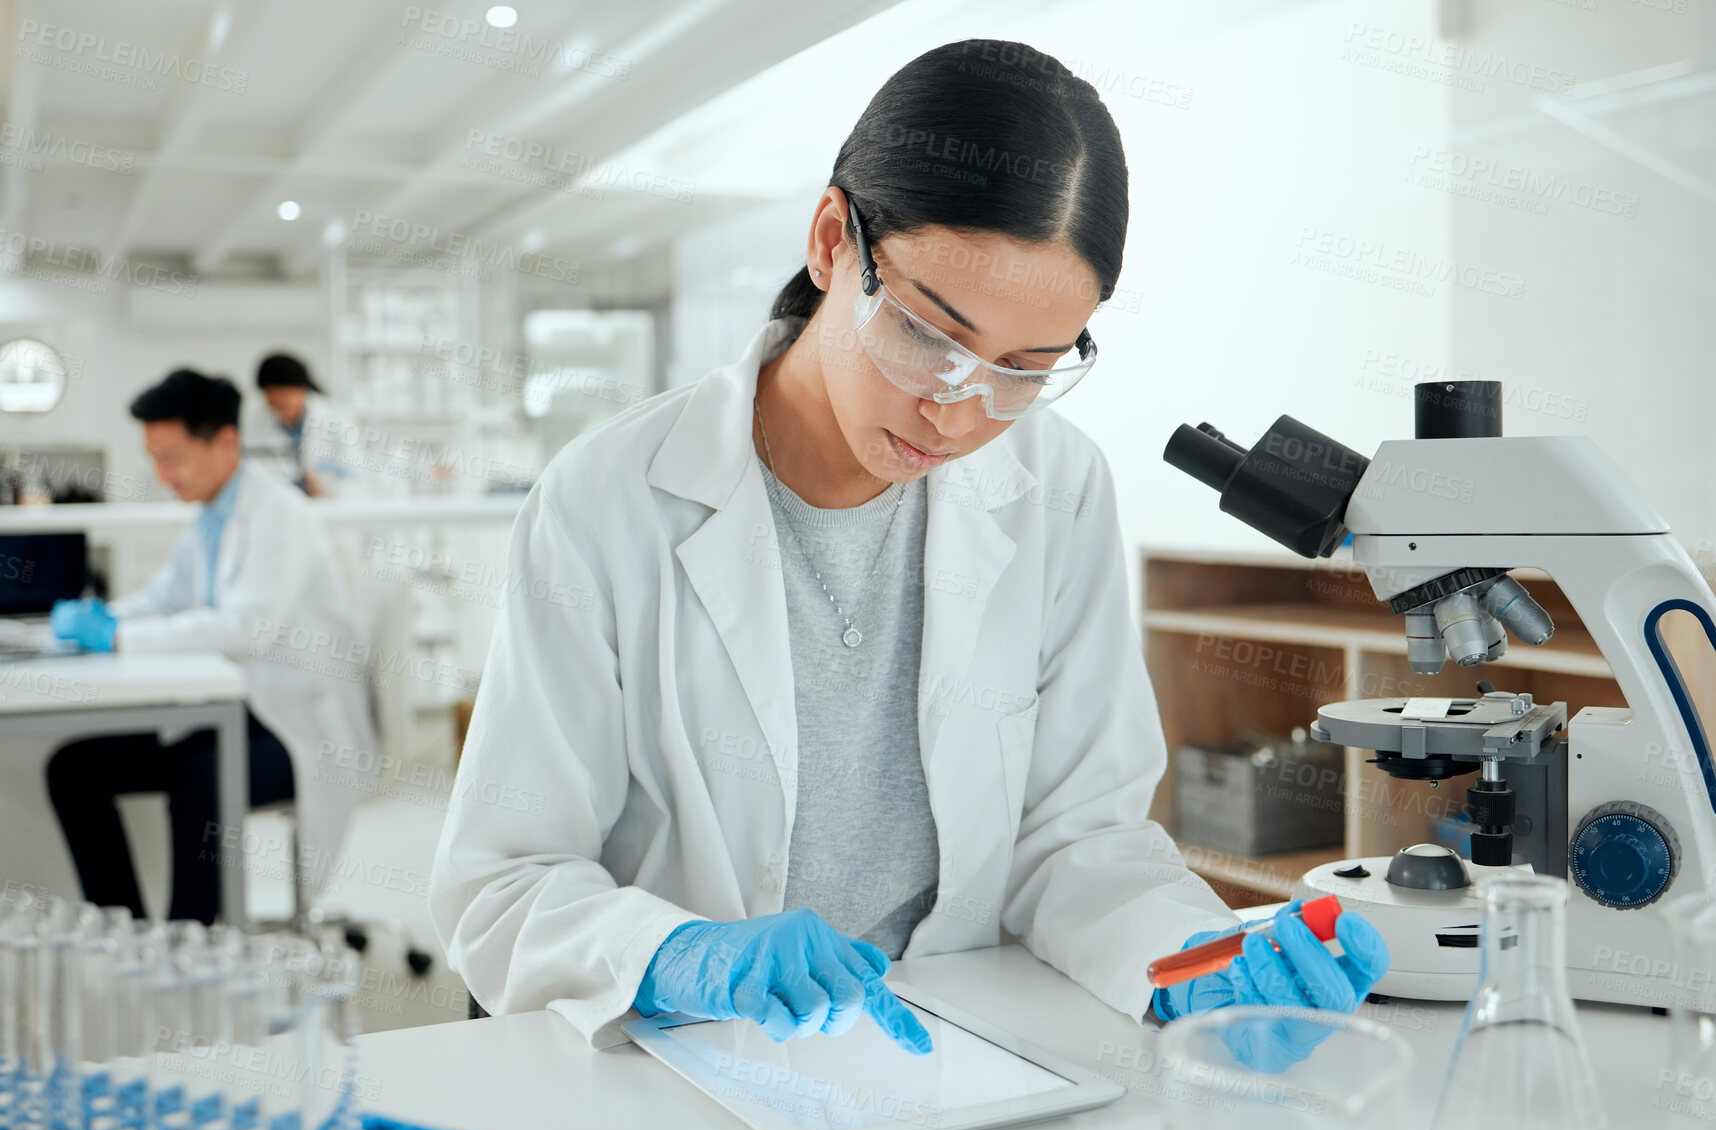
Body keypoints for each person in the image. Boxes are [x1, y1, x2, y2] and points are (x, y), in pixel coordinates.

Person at [430, 39, 1388, 1062]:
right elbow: (503, 883)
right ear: (833, 239)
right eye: (931, 334)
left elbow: (1078, 838)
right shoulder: (607, 499)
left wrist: (1192, 956)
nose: (958, 408)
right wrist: (676, 954)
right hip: (688, 1065)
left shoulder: (1056, 492)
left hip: (957, 1054)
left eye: (1022, 370)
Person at [46, 369, 375, 923]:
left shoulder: (278, 516)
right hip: (240, 712)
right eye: (154, 457)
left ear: (225, 441)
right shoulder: (212, 516)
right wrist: (102, 618)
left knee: (201, 776)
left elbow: (245, 627)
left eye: (172, 455)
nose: (162, 473)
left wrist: (118, 637)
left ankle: (187, 951)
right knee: (74, 769)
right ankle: (130, 935)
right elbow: (164, 597)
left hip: (298, 728)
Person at [255, 352, 350, 497]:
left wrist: (324, 487)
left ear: (302, 390)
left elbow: (355, 478)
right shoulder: (258, 423)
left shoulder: (335, 420)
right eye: (273, 402)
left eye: (284, 398)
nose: (279, 408)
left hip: (330, 508)